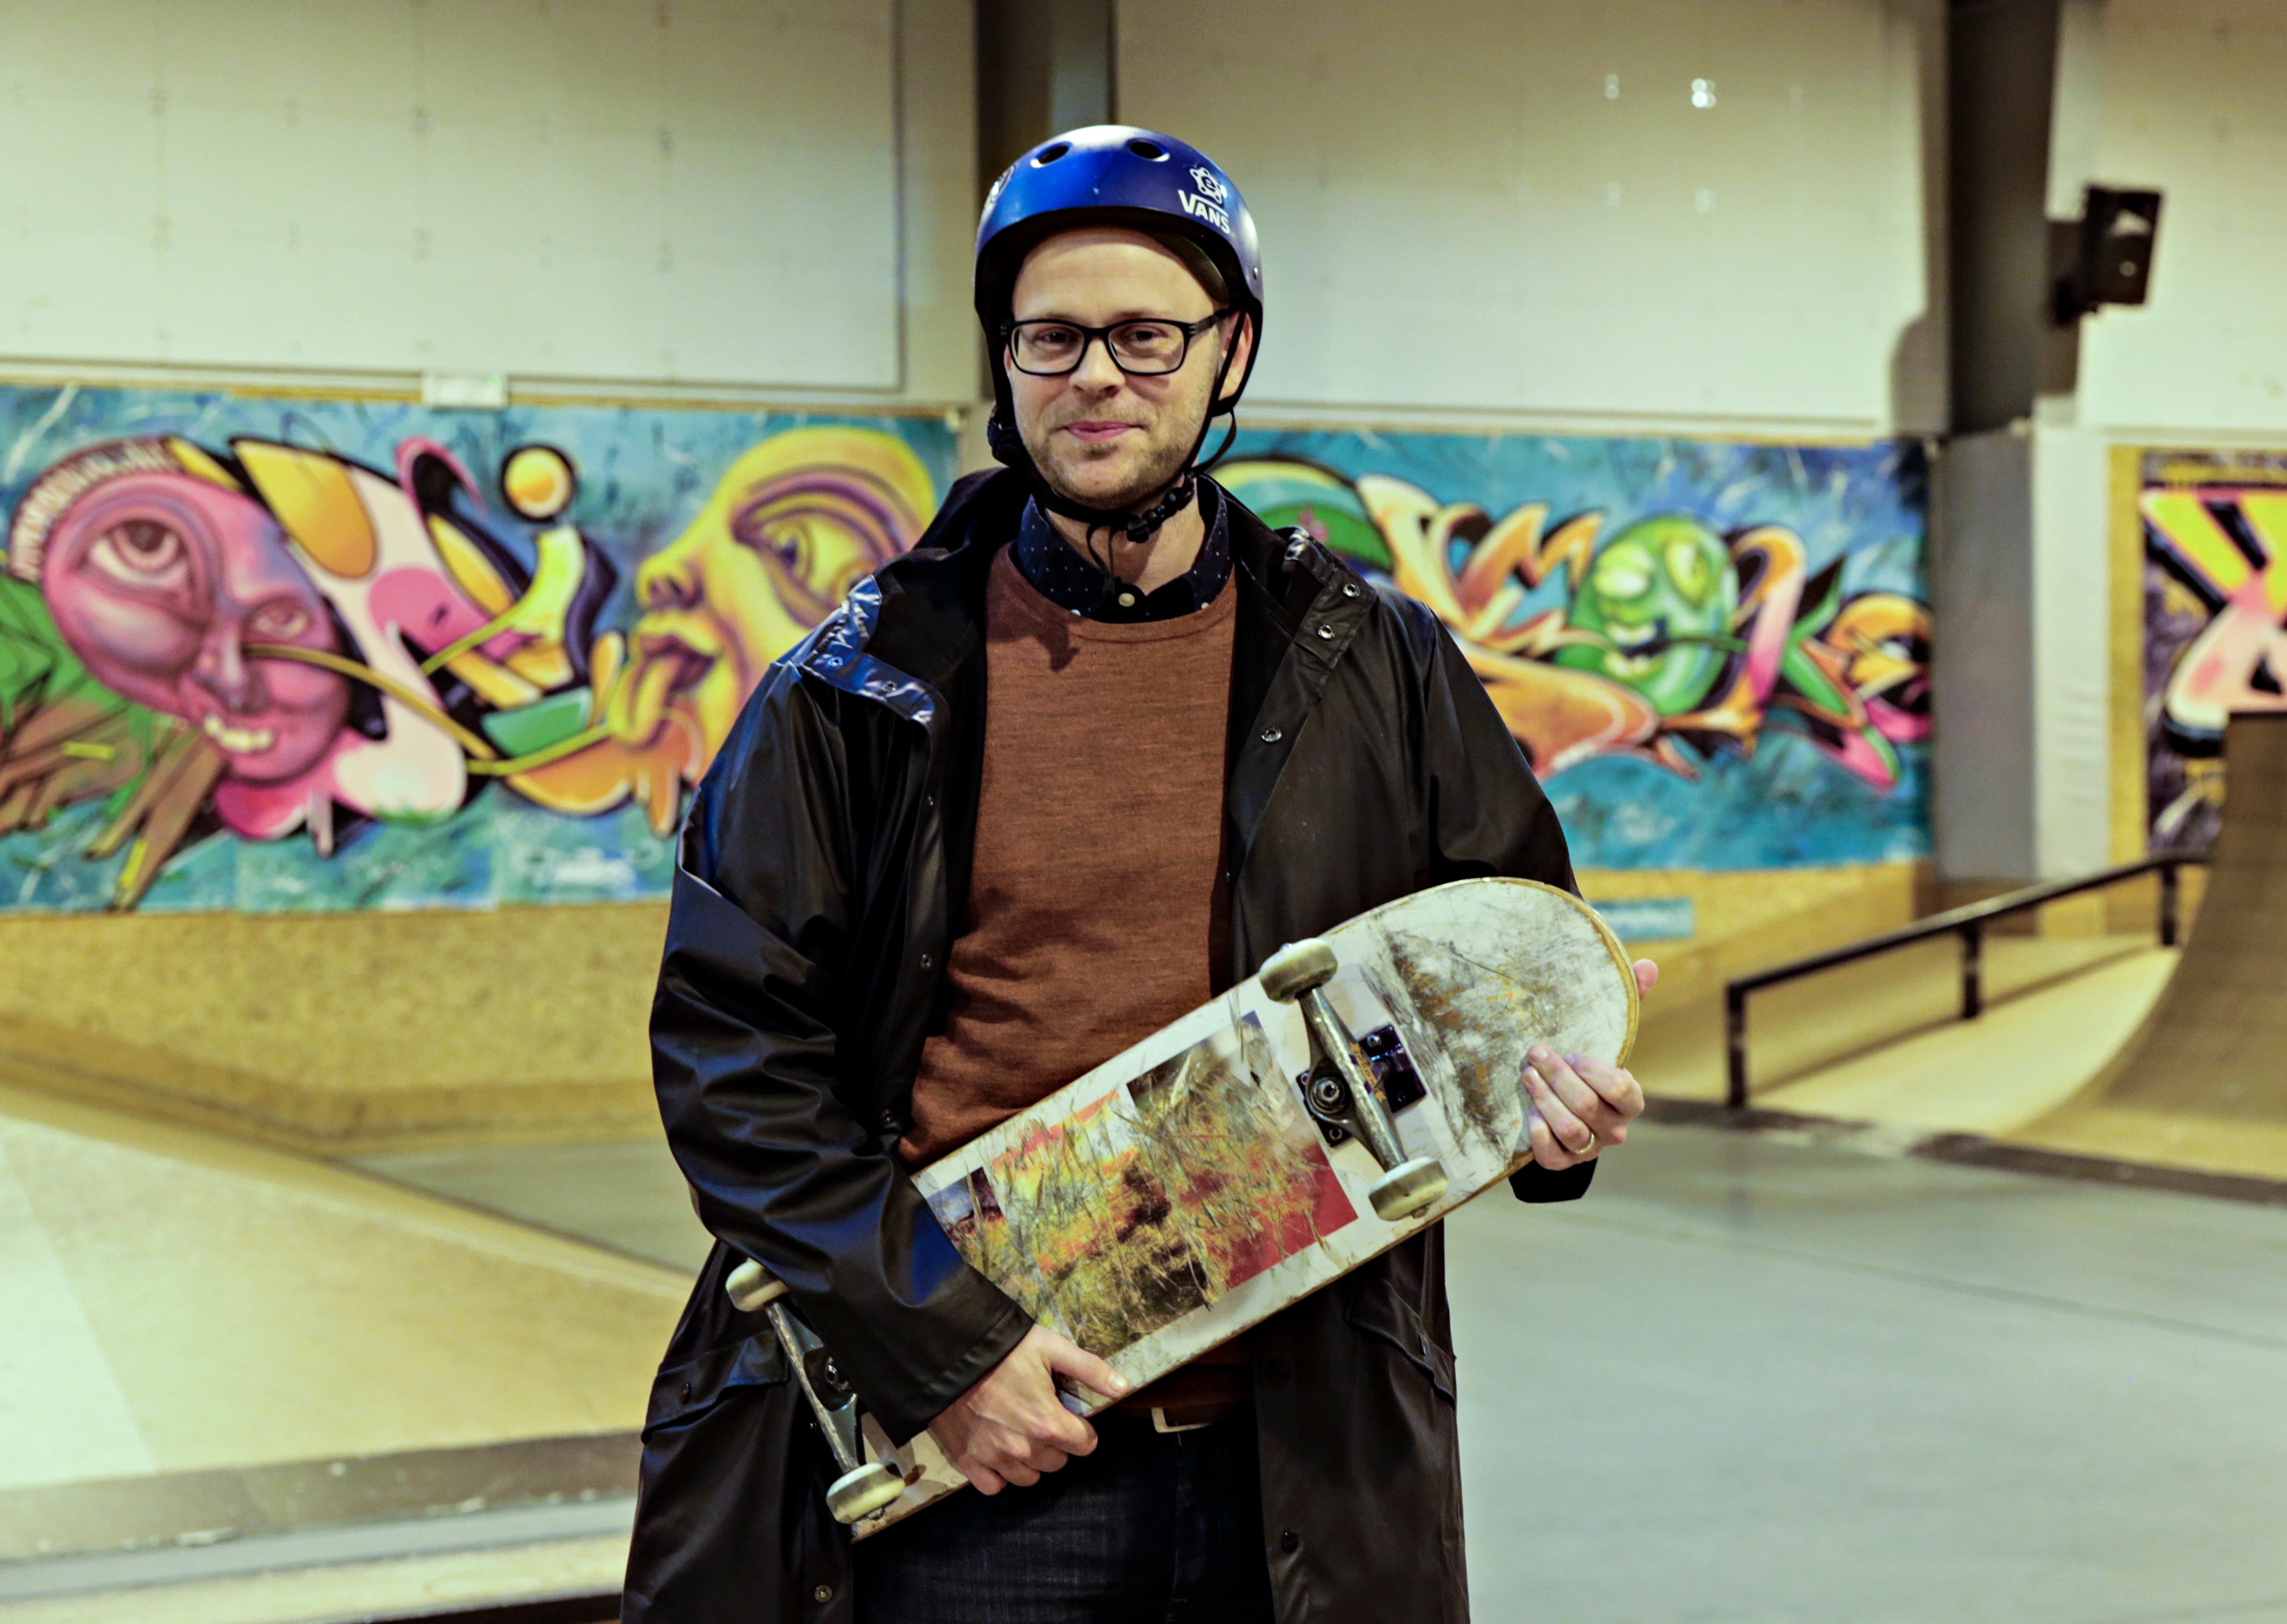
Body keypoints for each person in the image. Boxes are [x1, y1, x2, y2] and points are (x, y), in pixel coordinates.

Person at [622, 125, 1655, 1624]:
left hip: (1303, 1453)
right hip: (989, 1462)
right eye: (1050, 337)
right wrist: (945, 1356)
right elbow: (734, 1064)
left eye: (1145, 335)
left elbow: (1509, 970)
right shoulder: (859, 684)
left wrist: (1557, 1117)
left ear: (1229, 351)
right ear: (1004, 360)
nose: (1095, 376)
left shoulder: (1377, 663)